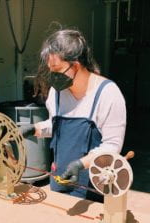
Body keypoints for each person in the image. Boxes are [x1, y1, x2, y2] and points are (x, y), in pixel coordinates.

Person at [23, 29, 126, 202]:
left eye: (57, 70)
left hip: (91, 187)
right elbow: (58, 127)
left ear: (76, 65)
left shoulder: (108, 94)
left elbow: (112, 145)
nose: (53, 77)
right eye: (51, 70)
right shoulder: (57, 92)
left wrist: (81, 164)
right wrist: (34, 129)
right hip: (59, 180)